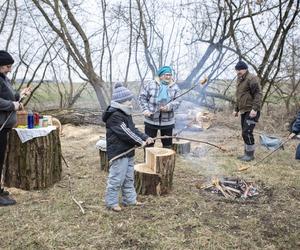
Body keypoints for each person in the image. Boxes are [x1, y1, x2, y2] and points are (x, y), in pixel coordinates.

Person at [102, 82, 154, 212]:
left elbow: (133, 129)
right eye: (128, 100)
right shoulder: (114, 116)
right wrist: (139, 142)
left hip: (128, 151)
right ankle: (111, 202)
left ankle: (130, 200)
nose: (131, 102)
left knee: (128, 178)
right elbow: (126, 133)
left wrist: (145, 137)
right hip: (119, 152)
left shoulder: (125, 113)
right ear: (120, 102)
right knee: (117, 178)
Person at [0, 50, 31, 206]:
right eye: (7, 66)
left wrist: (20, 95)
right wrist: (13, 105)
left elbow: (10, 97)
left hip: (4, 126)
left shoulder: (3, 78)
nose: (10, 69)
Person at [139, 66, 181, 148]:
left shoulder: (175, 87)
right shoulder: (150, 84)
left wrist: (168, 107)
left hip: (168, 121)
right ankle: (148, 160)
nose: (168, 77)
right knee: (149, 144)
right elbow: (142, 98)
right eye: (166, 75)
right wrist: (145, 110)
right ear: (161, 75)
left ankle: (166, 160)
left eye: (170, 75)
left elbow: (178, 101)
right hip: (151, 120)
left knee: (167, 145)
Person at [233, 61, 262, 161]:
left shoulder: (252, 78)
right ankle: (246, 154)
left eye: (239, 70)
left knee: (247, 132)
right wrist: (236, 109)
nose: (238, 72)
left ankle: (250, 155)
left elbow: (258, 94)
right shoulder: (240, 79)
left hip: (252, 110)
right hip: (244, 110)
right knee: (244, 132)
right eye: (237, 70)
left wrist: (255, 109)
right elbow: (239, 96)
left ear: (245, 69)